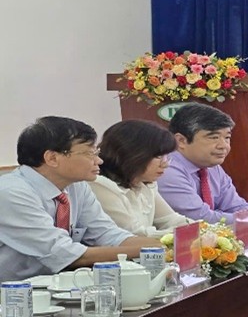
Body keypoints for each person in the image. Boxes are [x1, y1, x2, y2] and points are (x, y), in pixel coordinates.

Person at [0, 116, 161, 281]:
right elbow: (63, 253)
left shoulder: (77, 186)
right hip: (12, 290)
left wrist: (161, 246)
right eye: (89, 153)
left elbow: (107, 234)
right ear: (52, 158)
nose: (99, 160)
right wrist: (149, 249)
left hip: (57, 284)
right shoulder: (11, 193)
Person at [159, 104, 248, 223]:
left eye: (227, 137)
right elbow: (202, 219)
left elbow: (236, 207)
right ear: (181, 141)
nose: (224, 146)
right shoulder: (166, 169)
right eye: (214, 137)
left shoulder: (212, 167)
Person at [90, 120, 192, 237]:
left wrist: (203, 229)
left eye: (166, 156)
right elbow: (133, 234)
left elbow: (171, 220)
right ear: (132, 154)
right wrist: (186, 234)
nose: (165, 164)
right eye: (158, 156)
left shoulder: (145, 183)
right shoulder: (100, 184)